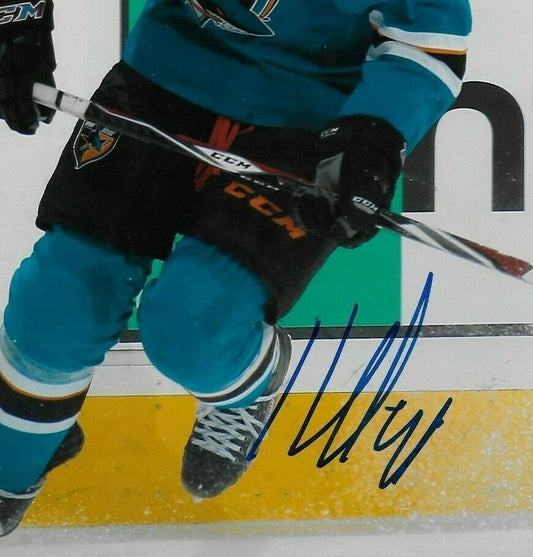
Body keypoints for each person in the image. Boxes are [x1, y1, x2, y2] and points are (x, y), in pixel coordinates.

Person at [0, 0, 472, 535]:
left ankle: (253, 383)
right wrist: (19, 23)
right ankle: (19, 451)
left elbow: (431, 30)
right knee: (56, 309)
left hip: (307, 119)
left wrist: (375, 133)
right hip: (161, 78)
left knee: (195, 328)